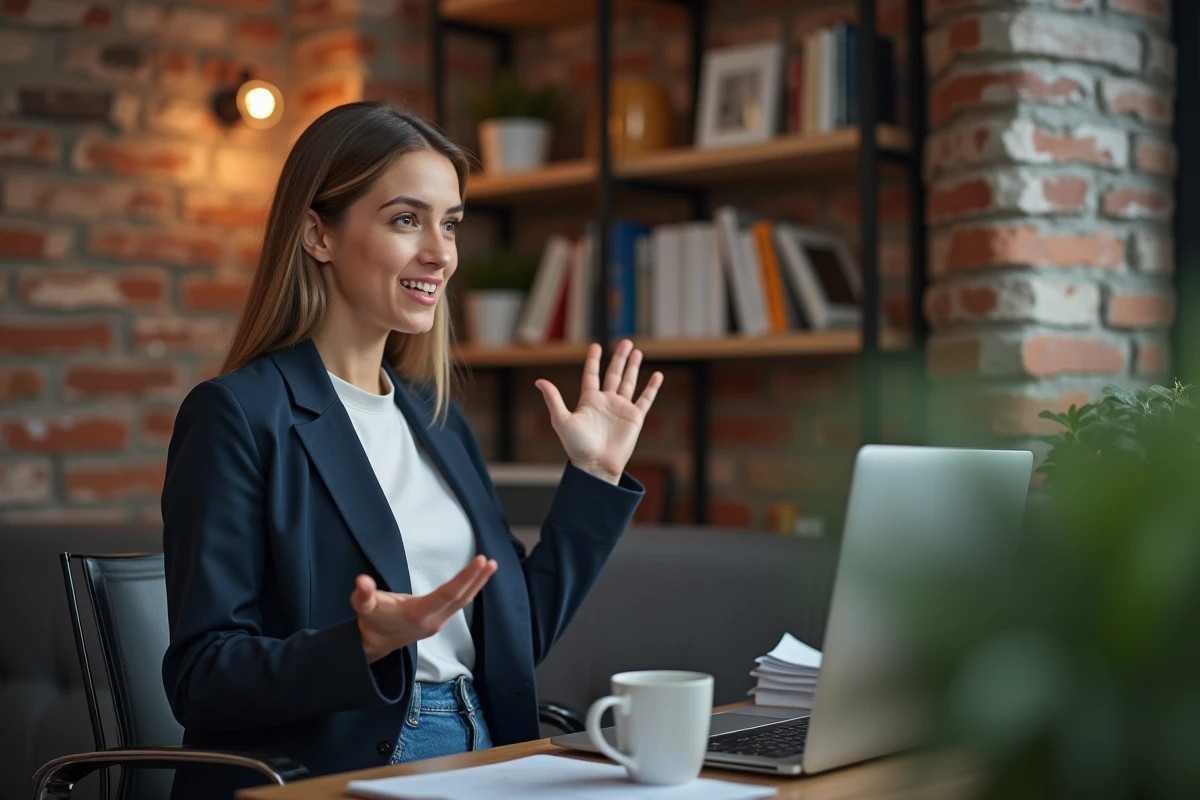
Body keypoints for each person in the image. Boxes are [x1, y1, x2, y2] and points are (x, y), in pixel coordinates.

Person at [159, 101, 663, 800]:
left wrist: (594, 476)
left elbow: (515, 638)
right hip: (345, 766)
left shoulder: (435, 418)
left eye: (450, 223)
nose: (441, 253)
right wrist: (364, 643)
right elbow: (202, 678)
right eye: (406, 220)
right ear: (318, 234)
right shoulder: (239, 415)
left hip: (489, 743)